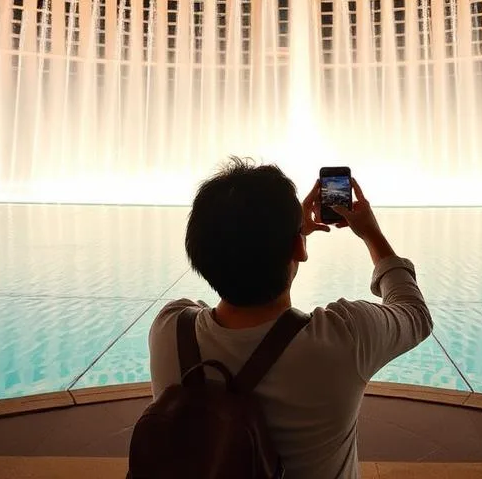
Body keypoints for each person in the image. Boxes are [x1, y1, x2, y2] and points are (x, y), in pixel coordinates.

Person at [146, 158, 433, 479]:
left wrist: (290, 233)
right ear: (299, 247)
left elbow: (212, 302)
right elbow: (414, 313)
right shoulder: (345, 337)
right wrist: (371, 234)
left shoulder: (170, 328)